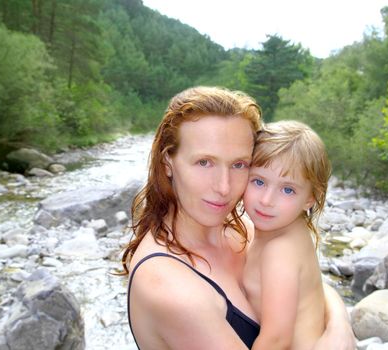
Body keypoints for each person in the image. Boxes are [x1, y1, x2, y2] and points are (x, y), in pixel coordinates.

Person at [121, 86, 355, 349]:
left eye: (239, 164)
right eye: (204, 162)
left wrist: (340, 328)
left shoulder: (243, 228)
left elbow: (309, 287)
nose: (223, 186)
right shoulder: (168, 285)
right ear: (168, 163)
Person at [243, 120, 330, 349]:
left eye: (288, 189)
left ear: (310, 198)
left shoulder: (279, 250)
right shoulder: (287, 229)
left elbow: (276, 339)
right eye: (259, 181)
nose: (266, 200)